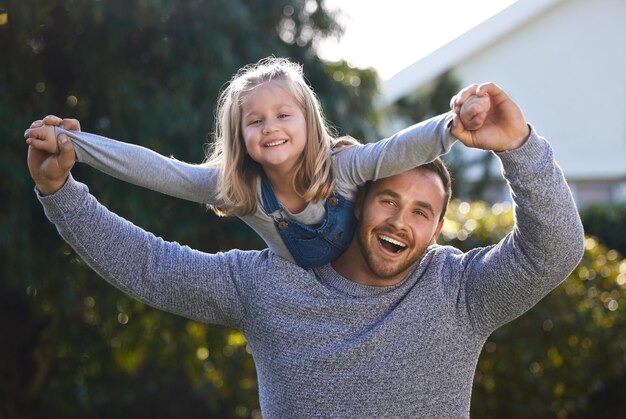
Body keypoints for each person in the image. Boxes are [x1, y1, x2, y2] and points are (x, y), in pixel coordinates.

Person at [27, 82, 584, 418]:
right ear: (355, 201)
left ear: (437, 229)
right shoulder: (267, 284)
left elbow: (554, 252)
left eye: (421, 212)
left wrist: (519, 148)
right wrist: (60, 193)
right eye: (388, 201)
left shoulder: (459, 290)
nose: (400, 221)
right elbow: (150, 267)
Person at [24, 57, 485, 269]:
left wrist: (453, 124)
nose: (270, 127)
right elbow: (158, 170)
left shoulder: (342, 168)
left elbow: (398, 149)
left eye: (284, 115)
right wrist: (74, 144)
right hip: (296, 292)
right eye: (255, 121)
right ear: (239, 137)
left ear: (308, 122)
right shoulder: (236, 190)